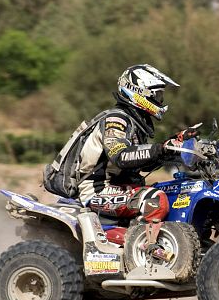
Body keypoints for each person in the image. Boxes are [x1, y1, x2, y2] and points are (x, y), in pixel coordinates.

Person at [75, 64, 186, 245]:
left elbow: (141, 160)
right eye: (157, 95)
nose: (160, 100)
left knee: (176, 190)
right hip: (97, 189)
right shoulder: (116, 119)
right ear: (139, 92)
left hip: (119, 186)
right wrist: (159, 148)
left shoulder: (135, 120)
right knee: (155, 200)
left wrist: (174, 147)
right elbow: (121, 156)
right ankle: (144, 251)